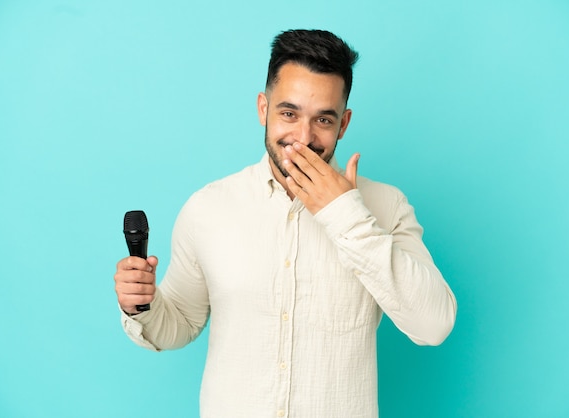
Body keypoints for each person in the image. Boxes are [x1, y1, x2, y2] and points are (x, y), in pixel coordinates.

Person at [114, 29, 457, 418]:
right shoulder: (208, 208)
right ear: (264, 108)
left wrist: (346, 212)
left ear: (343, 124)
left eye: (323, 120)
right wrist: (141, 304)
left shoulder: (387, 206)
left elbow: (434, 325)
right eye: (289, 113)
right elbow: (179, 324)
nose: (303, 138)